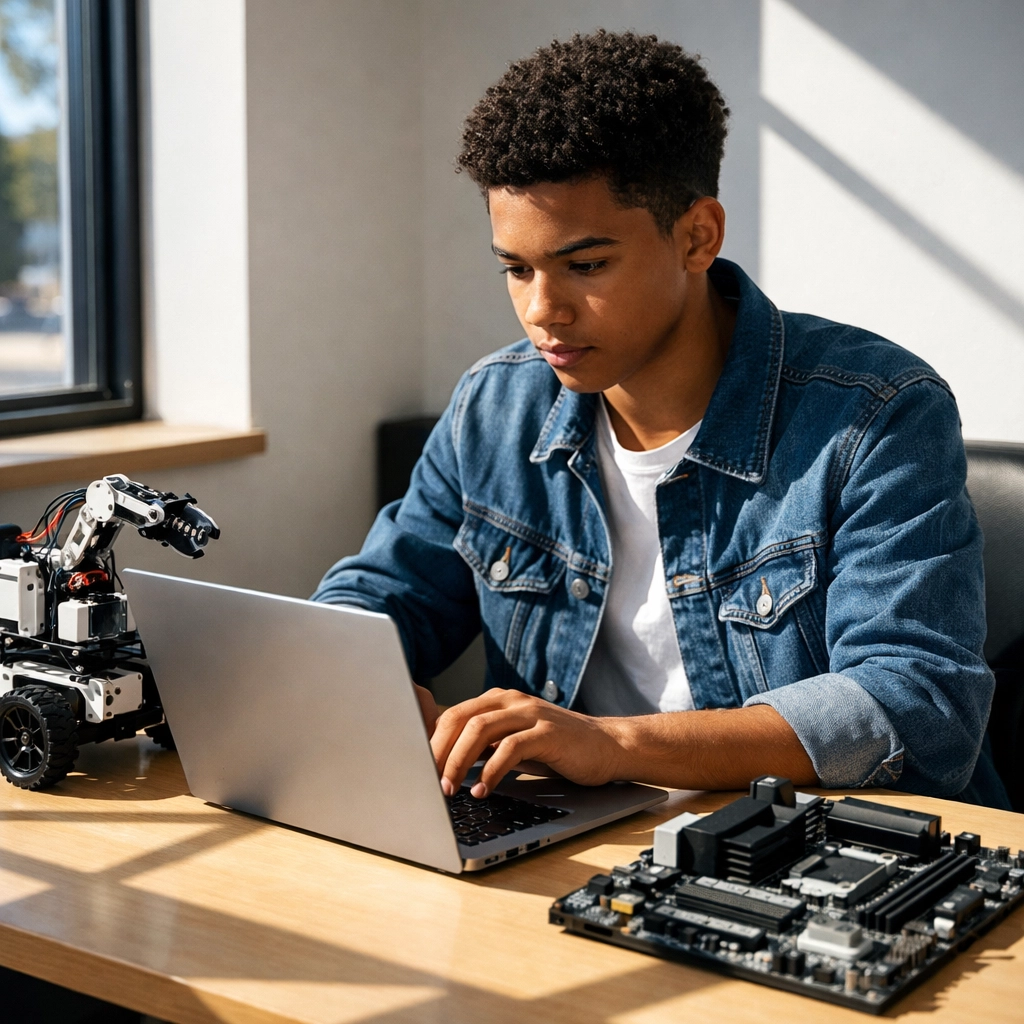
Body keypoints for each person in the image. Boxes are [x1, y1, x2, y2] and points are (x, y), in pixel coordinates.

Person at [314, 30, 1008, 809]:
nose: (543, 310)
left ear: (697, 236)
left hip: (808, 846)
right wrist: (358, 673)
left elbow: (916, 703)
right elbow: (382, 593)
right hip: (569, 837)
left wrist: (612, 745)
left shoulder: (875, 415)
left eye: (585, 265)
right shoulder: (494, 407)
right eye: (517, 268)